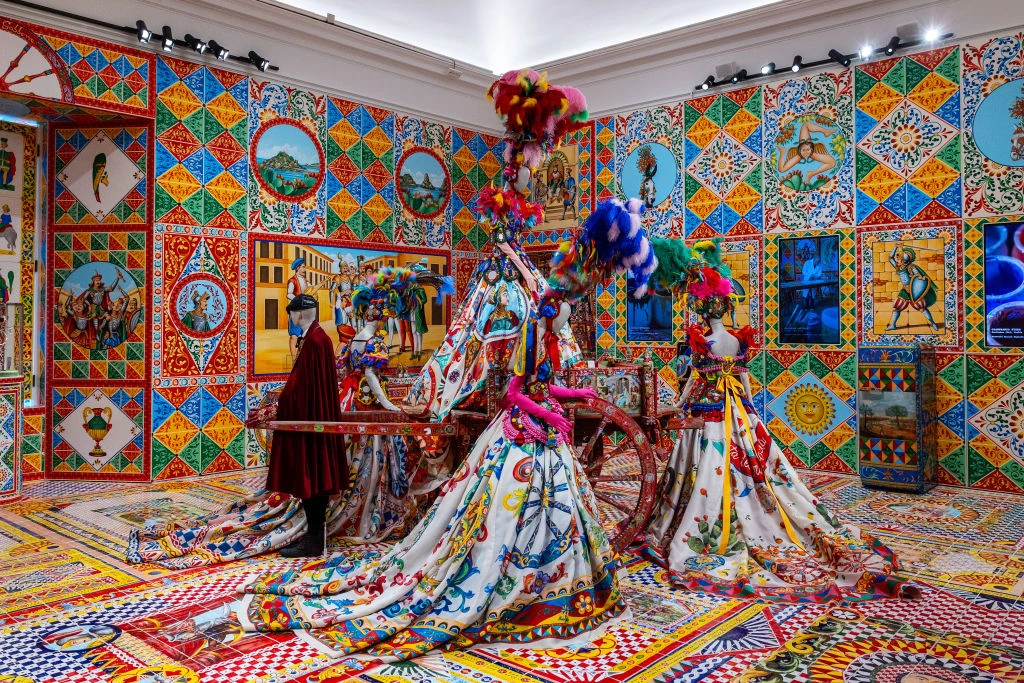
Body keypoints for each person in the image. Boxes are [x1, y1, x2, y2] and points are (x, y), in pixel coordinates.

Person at [234, 197, 657, 663]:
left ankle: (553, 576)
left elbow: (543, 385)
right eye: (565, 315)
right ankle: (510, 572)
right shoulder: (533, 334)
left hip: (542, 431)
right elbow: (515, 391)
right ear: (552, 311)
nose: (567, 321)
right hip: (524, 430)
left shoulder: (549, 337)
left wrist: (570, 396)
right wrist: (551, 413)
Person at [643, 238, 918, 602]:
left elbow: (695, 380)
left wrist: (678, 404)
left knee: (706, 465)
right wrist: (750, 406)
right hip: (739, 410)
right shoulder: (737, 340)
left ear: (702, 310)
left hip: (709, 413)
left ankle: (708, 522)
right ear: (725, 307)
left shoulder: (702, 342)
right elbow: (743, 378)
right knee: (755, 463)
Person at [404, 70, 589, 420]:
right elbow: (501, 240)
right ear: (513, 172)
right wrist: (526, 271)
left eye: (530, 175)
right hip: (504, 268)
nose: (527, 181)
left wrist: (528, 271)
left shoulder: (522, 202)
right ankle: (491, 381)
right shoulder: (501, 200)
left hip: (518, 264)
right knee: (495, 314)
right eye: (524, 175)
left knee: (537, 311)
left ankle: (540, 376)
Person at [886, 245, 940, 332]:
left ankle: (933, 323)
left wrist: (915, 274)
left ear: (904, 261)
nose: (897, 260)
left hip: (913, 291)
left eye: (899, 259)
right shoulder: (898, 267)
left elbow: (919, 277)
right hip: (904, 291)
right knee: (896, 307)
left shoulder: (911, 267)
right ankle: (893, 325)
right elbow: (890, 258)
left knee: (922, 308)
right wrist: (895, 247)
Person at [286, 257, 308, 358]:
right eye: (303, 267)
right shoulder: (292, 280)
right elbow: (289, 294)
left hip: (306, 311)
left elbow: (311, 291)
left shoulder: (306, 281)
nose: (304, 269)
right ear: (298, 268)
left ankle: (301, 357)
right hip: (296, 311)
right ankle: (293, 359)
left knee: (305, 335)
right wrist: (298, 300)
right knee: (294, 336)